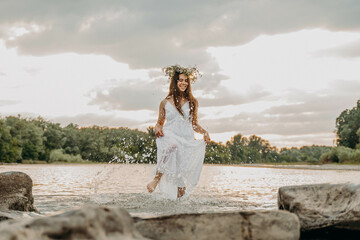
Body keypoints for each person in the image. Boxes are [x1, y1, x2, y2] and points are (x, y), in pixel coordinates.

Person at [147, 65, 211, 199]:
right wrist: (157, 127)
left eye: (186, 80)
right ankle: (156, 179)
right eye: (180, 80)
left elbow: (193, 124)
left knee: (180, 179)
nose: (183, 83)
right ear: (175, 82)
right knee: (173, 146)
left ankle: (179, 204)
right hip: (169, 135)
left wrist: (204, 132)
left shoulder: (193, 102)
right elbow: (159, 122)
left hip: (186, 139)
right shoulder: (164, 102)